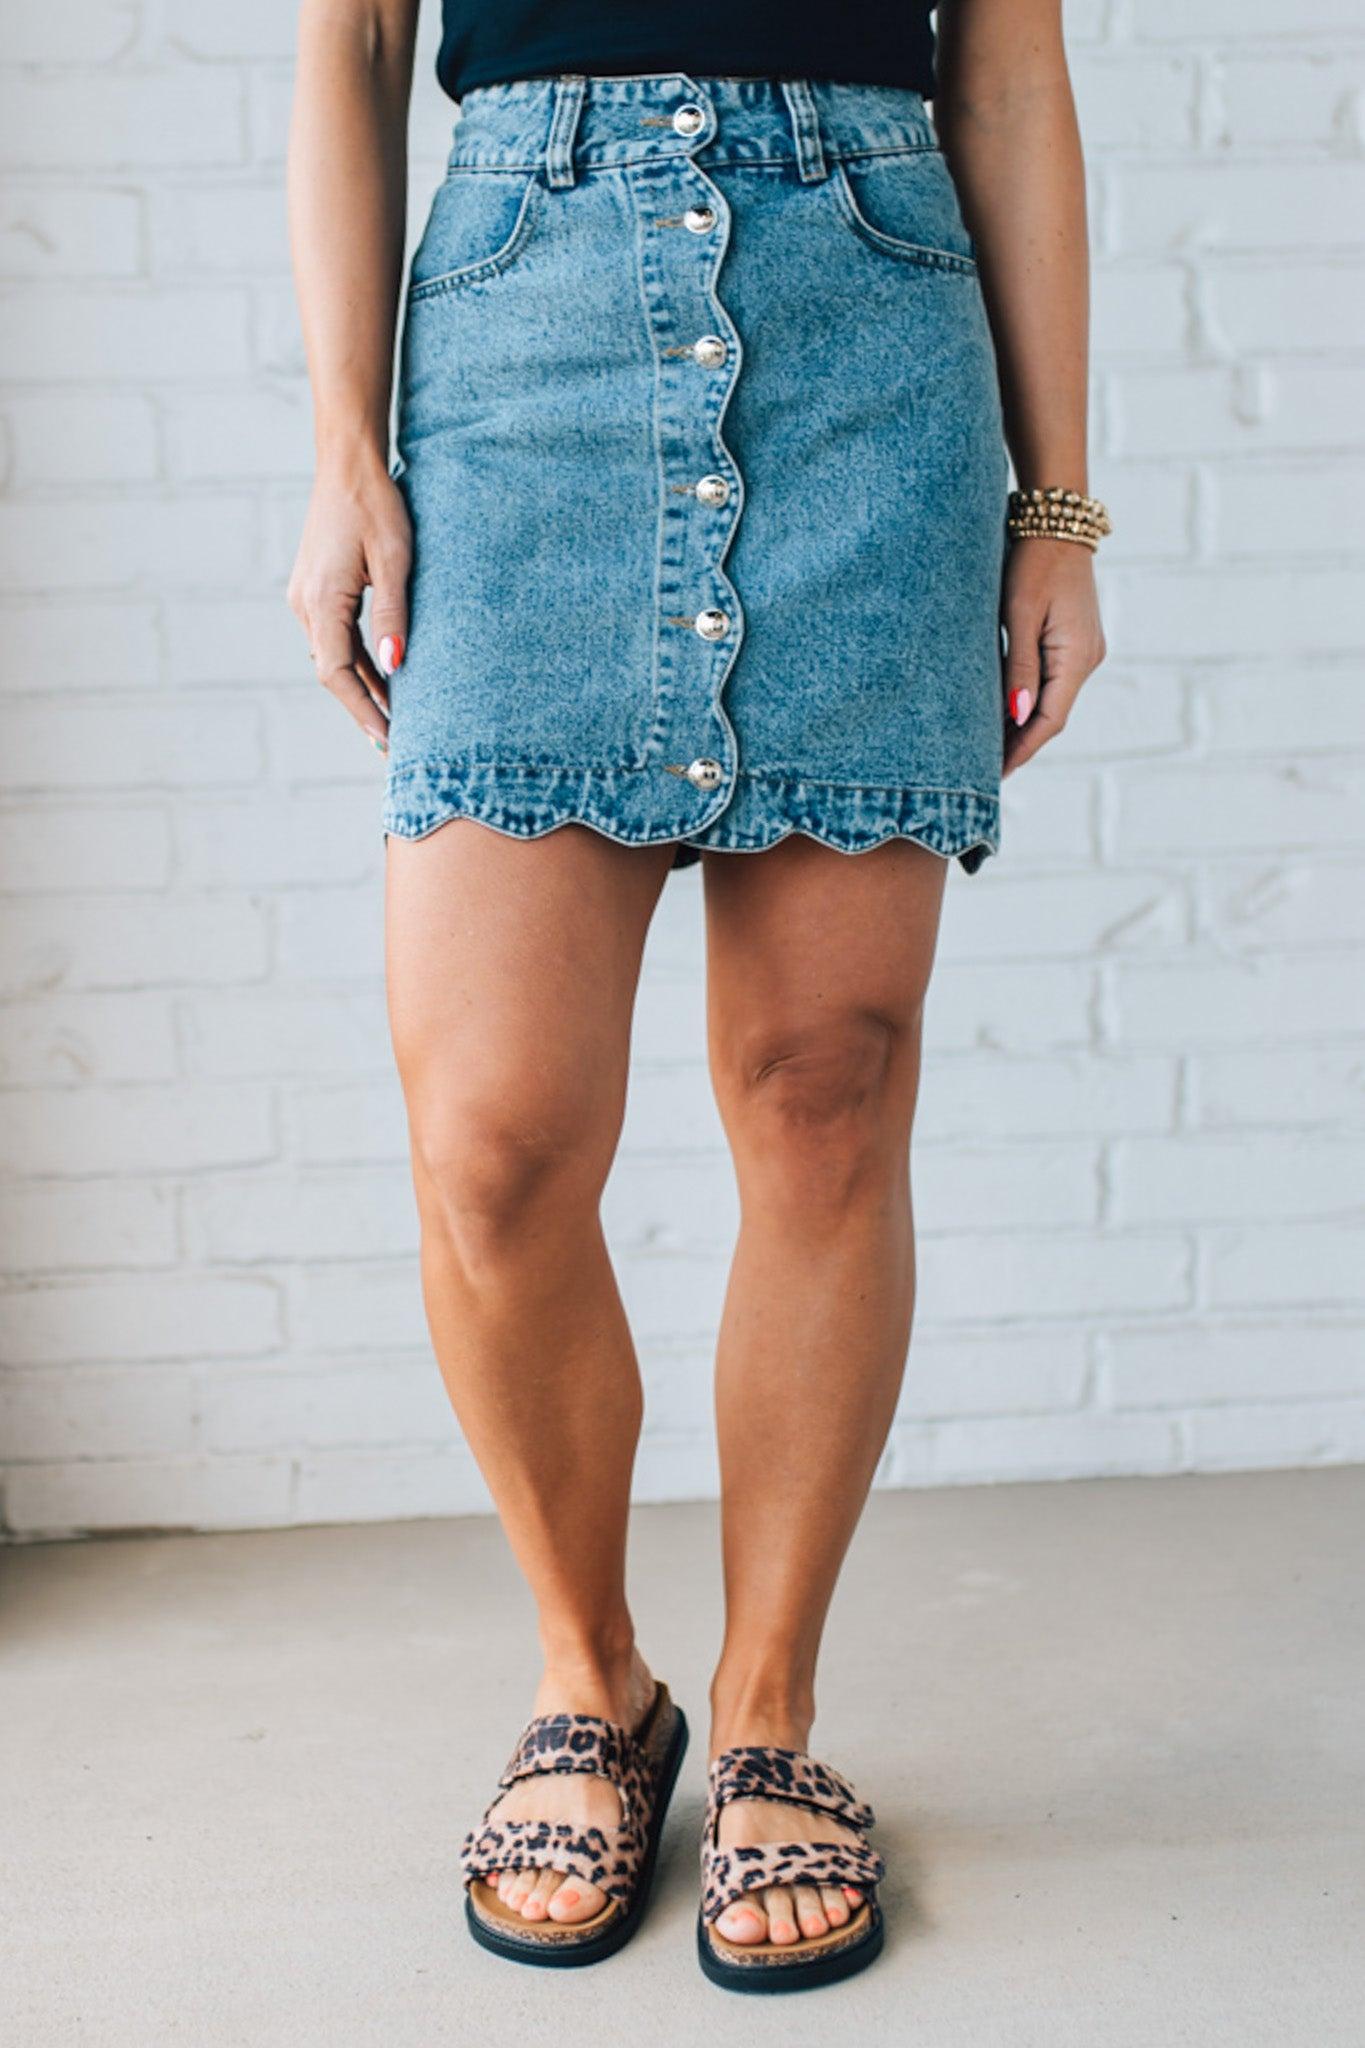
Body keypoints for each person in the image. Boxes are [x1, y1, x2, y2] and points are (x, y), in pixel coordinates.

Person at [286, 0, 1107, 1993]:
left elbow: (1004, 66)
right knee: (489, 1143)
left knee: (823, 1087)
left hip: (869, 327)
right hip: (516, 335)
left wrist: (1055, 510)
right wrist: (340, 448)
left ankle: (761, 1717)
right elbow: (348, 45)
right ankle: (593, 1682)